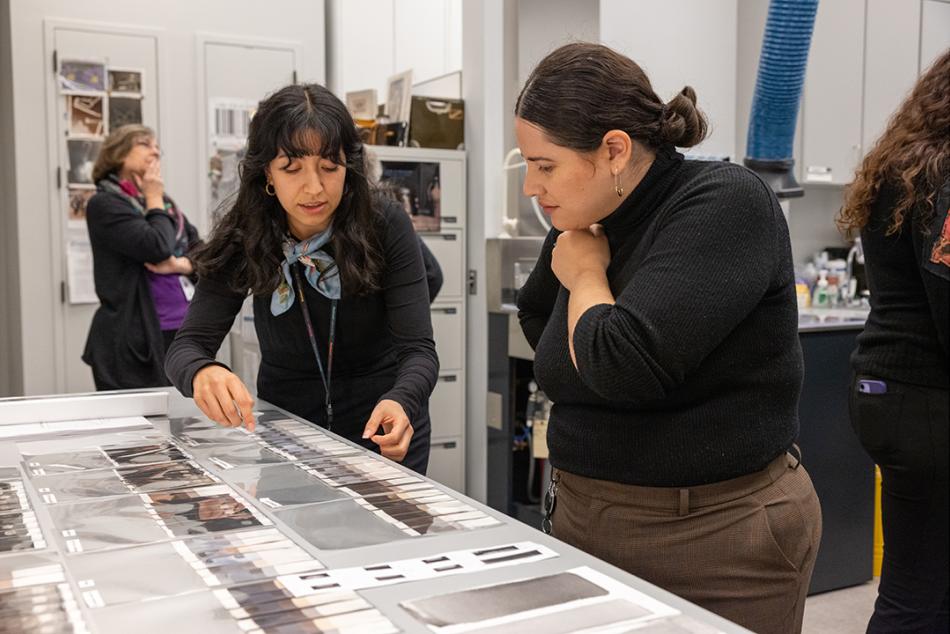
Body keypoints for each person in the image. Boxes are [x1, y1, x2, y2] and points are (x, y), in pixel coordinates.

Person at [515, 43, 821, 634]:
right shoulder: (584, 220)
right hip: (585, 515)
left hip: (715, 537)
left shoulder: (724, 204)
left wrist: (585, 278)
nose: (532, 186)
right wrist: (596, 335)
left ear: (614, 149)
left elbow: (620, 366)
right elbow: (546, 330)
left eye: (545, 165)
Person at [165, 84, 438, 474]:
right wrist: (203, 372)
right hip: (288, 432)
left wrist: (403, 399)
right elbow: (186, 346)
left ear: (350, 166)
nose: (314, 187)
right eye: (292, 168)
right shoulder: (248, 231)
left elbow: (419, 351)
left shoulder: (384, 223)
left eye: (330, 167)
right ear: (267, 174)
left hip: (381, 426)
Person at [837, 50, 949, 634]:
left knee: (924, 579)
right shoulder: (944, 172)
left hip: (893, 392)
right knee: (918, 590)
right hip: (924, 399)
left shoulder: (908, 163)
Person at [83, 124, 200, 390]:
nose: (155, 152)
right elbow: (157, 246)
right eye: (145, 144)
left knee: (181, 421)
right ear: (119, 153)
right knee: (145, 426)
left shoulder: (163, 204)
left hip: (181, 332)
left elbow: (203, 253)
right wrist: (153, 198)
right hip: (134, 341)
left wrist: (180, 264)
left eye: (158, 147)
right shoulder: (104, 204)